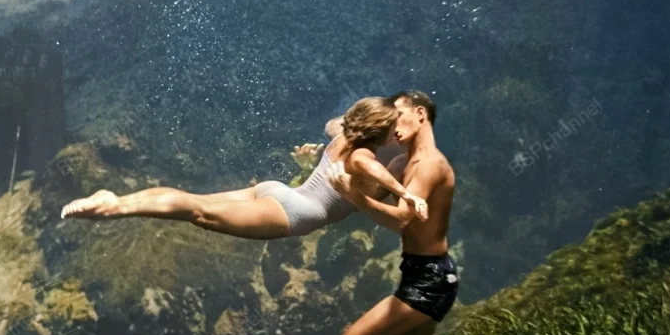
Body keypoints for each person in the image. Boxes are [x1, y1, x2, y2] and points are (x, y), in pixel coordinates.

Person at [59, 97, 428, 240]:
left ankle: (118, 201)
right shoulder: (366, 156)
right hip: (294, 212)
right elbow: (375, 173)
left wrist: (349, 126)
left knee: (196, 203)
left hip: (279, 192)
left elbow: (335, 123)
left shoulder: (341, 135)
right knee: (198, 211)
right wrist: (406, 194)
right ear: (381, 132)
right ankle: (113, 206)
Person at [327, 90, 459, 335]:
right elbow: (366, 200)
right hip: (419, 272)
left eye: (398, 116)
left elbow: (400, 219)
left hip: (431, 279)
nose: (392, 126)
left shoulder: (430, 165)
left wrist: (356, 196)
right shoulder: (402, 162)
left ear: (420, 114)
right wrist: (327, 167)